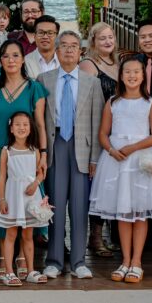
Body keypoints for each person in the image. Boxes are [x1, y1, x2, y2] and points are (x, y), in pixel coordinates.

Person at [89, 55, 152, 284]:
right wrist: (111, 150)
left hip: (140, 161)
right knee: (123, 213)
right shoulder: (113, 102)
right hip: (117, 161)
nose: (132, 75)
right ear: (121, 76)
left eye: (137, 71)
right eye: (127, 72)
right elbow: (103, 133)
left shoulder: (150, 102)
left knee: (139, 213)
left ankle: (137, 262)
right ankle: (124, 260)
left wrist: (134, 147)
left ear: (143, 75)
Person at [38, 30, 104, 279]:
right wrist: (41, 155)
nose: (68, 50)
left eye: (73, 46)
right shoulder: (44, 79)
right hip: (55, 145)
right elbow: (40, 121)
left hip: (81, 146)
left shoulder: (92, 82)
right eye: (63, 46)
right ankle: (54, 259)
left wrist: (95, 158)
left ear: (80, 52)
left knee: (79, 205)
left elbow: (97, 121)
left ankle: (78, 261)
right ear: (56, 51)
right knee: (53, 204)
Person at [0, 38, 48, 277]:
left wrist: (43, 154)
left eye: (15, 55)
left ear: (23, 59)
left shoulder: (34, 88)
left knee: (26, 201)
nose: (10, 60)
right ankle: (4, 257)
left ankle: (23, 256)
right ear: (0, 60)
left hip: (28, 155)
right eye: (5, 56)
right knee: (3, 202)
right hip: (0, 152)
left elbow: (40, 125)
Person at [78, 20, 118, 258]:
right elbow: (85, 105)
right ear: (93, 41)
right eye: (102, 38)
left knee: (112, 184)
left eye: (110, 37)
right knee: (97, 185)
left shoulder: (118, 63)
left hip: (118, 131)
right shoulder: (88, 65)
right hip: (97, 131)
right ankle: (94, 237)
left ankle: (110, 233)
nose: (107, 41)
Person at [0, 112, 49, 286]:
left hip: (30, 197)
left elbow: (40, 173)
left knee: (28, 235)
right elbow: (2, 177)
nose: (21, 128)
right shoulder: (7, 151)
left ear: (30, 127)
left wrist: (36, 183)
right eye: (17, 124)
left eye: (25, 124)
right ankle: (9, 272)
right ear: (11, 128)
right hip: (13, 196)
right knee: (11, 233)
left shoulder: (34, 151)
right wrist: (2, 199)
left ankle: (31, 270)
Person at [25, 15, 61, 79]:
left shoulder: (65, 60)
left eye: (50, 33)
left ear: (57, 36)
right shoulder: (25, 61)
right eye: (40, 32)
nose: (45, 37)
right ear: (34, 36)